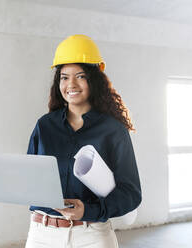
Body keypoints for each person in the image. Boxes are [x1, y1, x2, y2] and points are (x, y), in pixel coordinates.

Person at [25, 34, 142, 248]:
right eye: (64, 77)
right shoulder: (44, 126)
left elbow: (131, 194)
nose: (71, 84)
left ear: (93, 79)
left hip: (91, 236)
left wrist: (88, 210)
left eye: (80, 76)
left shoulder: (113, 131)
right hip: (42, 235)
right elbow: (28, 177)